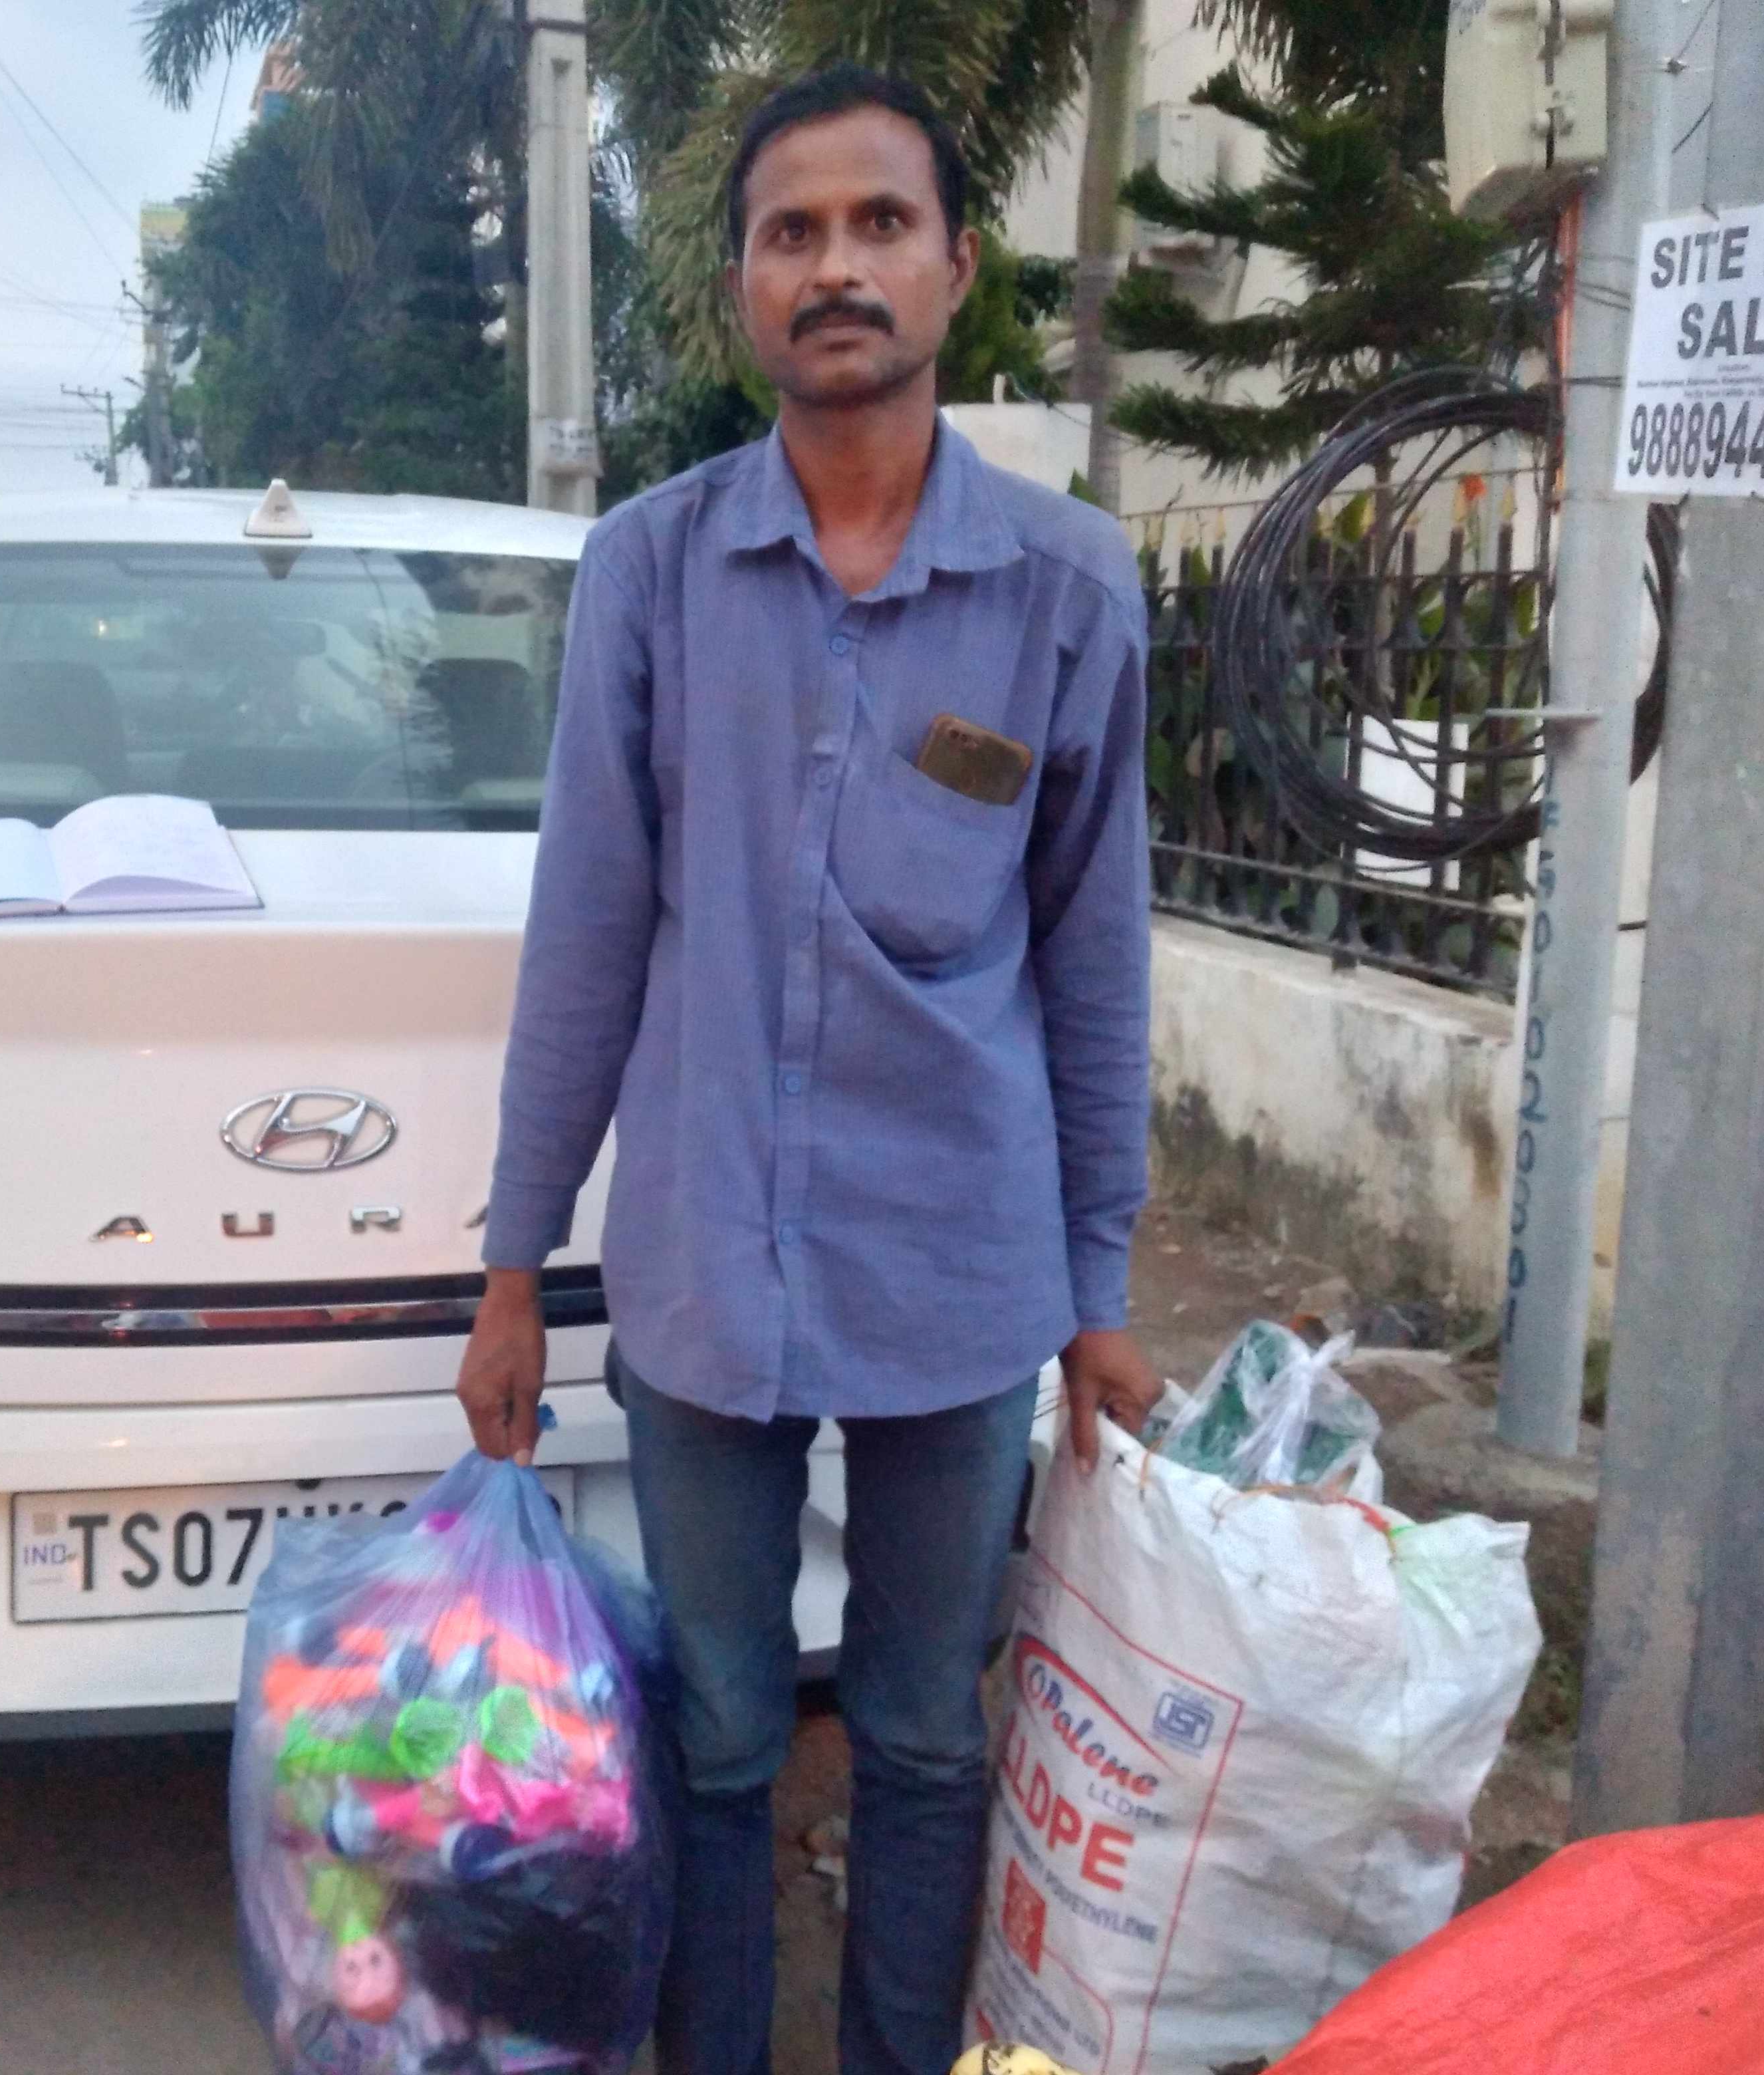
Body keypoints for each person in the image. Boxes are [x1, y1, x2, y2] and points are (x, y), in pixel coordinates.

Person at [455, 66, 1161, 2075]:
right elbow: (586, 935)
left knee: (928, 1728)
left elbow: (1093, 956)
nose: (835, 265)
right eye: (792, 232)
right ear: (743, 288)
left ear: (954, 263)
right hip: (700, 1270)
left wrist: (1099, 1287)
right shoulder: (654, 572)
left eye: (877, 223)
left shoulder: (1064, 588)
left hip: (960, 1272)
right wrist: (513, 1266)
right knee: (715, 1725)